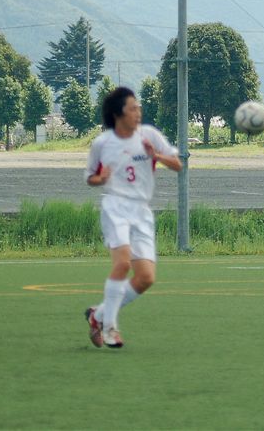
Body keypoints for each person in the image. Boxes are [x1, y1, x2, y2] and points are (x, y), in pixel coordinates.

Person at [84, 87, 182, 348]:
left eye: (138, 108)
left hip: (141, 211)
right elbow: (90, 177)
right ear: (118, 114)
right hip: (115, 206)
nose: (138, 112)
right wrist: (101, 179)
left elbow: (178, 165)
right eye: (132, 108)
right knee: (122, 263)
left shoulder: (149, 135)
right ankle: (110, 328)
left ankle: (97, 315)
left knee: (146, 278)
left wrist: (156, 156)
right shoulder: (102, 143)